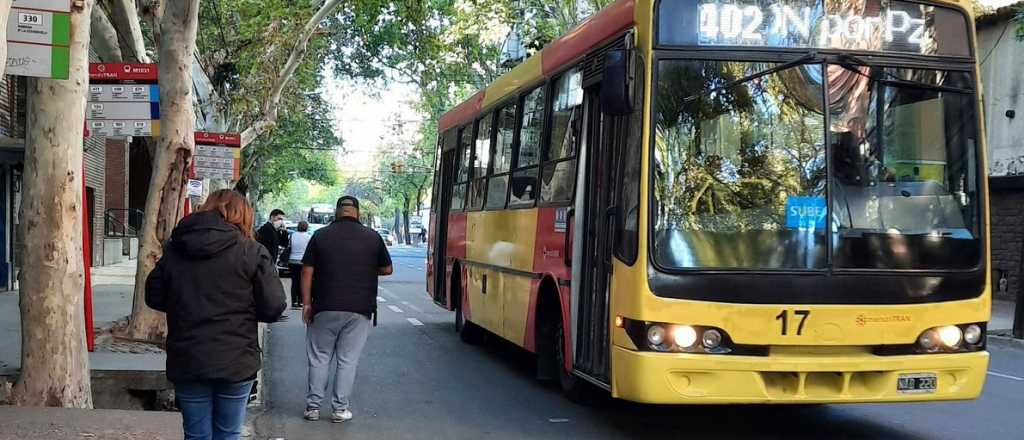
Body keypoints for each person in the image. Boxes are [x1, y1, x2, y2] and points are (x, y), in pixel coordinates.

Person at [145, 189, 286, 440]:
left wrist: (184, 304)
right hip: (236, 358)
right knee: (228, 433)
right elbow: (273, 306)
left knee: (195, 435)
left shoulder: (176, 248)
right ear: (243, 215)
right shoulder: (252, 251)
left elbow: (154, 296)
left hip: (188, 357)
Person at [301, 196, 393, 423]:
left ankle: (313, 407)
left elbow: (306, 271)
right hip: (359, 309)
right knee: (347, 360)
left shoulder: (320, 235)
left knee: (319, 357)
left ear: (337, 212)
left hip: (324, 306)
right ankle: (340, 410)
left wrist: (306, 303)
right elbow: (387, 269)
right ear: (357, 212)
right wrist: (365, 269)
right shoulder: (372, 237)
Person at [288, 221, 313, 308]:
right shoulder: (308, 237)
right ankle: (301, 301)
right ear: (306, 227)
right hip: (303, 261)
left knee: (294, 281)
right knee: (303, 282)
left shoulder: (292, 235)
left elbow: (289, 245)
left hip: (292, 261)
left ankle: (294, 302)